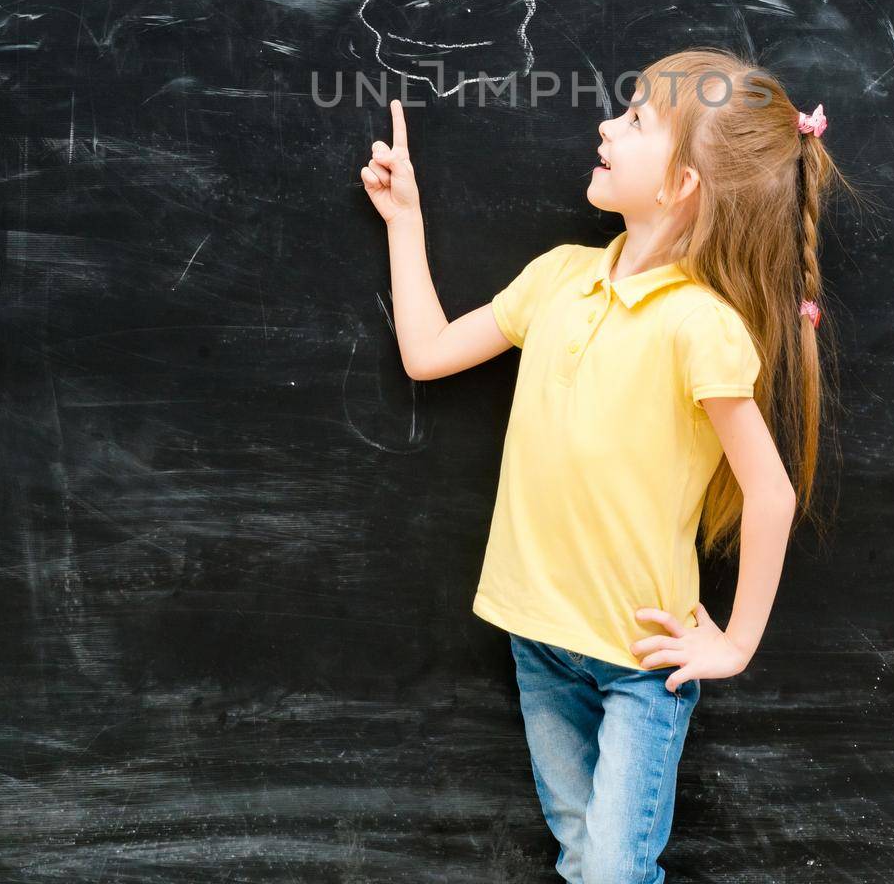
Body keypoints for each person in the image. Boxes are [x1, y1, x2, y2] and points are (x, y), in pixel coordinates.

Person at [360, 48, 856, 884]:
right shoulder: (558, 278)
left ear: (685, 182)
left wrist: (735, 645)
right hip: (536, 636)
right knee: (582, 855)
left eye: (634, 120)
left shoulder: (703, 326)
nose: (605, 123)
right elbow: (427, 352)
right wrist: (404, 219)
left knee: (615, 874)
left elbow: (771, 493)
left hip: (640, 664)